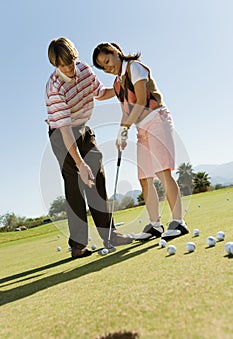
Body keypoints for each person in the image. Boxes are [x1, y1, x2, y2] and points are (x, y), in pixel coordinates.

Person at [45, 37, 134, 259]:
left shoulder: (83, 69)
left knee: (98, 177)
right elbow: (65, 131)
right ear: (56, 65)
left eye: (70, 62)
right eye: (62, 65)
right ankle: (78, 245)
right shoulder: (54, 88)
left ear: (75, 57)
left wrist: (120, 85)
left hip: (83, 129)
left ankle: (110, 234)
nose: (68, 69)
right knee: (75, 184)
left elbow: (101, 93)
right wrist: (80, 164)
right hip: (62, 136)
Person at [92, 42, 189, 240]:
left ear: (116, 52)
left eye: (107, 60)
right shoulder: (118, 84)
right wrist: (122, 133)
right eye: (103, 66)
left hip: (156, 120)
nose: (107, 67)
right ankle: (155, 225)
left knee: (163, 172)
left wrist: (125, 127)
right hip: (141, 129)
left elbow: (142, 101)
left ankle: (178, 222)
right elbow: (126, 111)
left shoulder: (135, 67)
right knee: (144, 178)